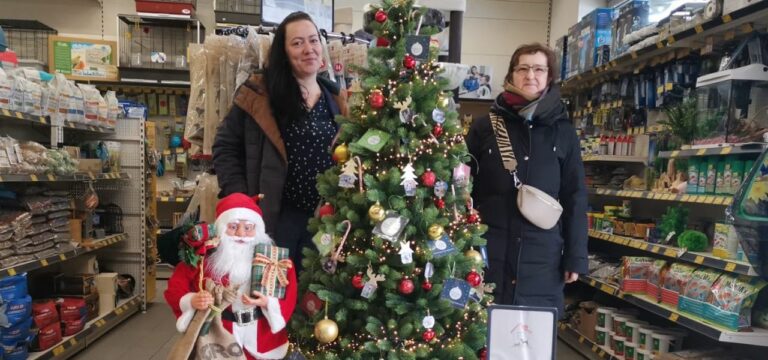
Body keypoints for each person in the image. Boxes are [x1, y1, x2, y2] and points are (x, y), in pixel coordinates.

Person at [213, 12, 348, 271]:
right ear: (283, 53)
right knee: (273, 295)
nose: (308, 49)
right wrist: (242, 198)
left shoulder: (337, 99)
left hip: (324, 220)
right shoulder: (259, 94)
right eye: (297, 43)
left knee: (317, 297)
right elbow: (225, 147)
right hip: (276, 218)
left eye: (313, 41)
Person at [465, 43, 587, 314]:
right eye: (523, 68)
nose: (530, 75)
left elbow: (575, 195)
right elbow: (462, 186)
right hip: (488, 252)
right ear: (511, 75)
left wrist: (576, 257)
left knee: (533, 340)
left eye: (539, 69)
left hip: (543, 259)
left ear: (549, 77)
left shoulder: (563, 132)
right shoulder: (485, 127)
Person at [165, 193, 298, 359]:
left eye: (248, 227)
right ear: (221, 228)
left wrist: (269, 303)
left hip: (261, 338)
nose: (241, 233)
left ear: (257, 230)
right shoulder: (203, 258)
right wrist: (192, 300)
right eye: (233, 226)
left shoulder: (273, 260)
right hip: (220, 338)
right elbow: (176, 288)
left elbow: (289, 292)